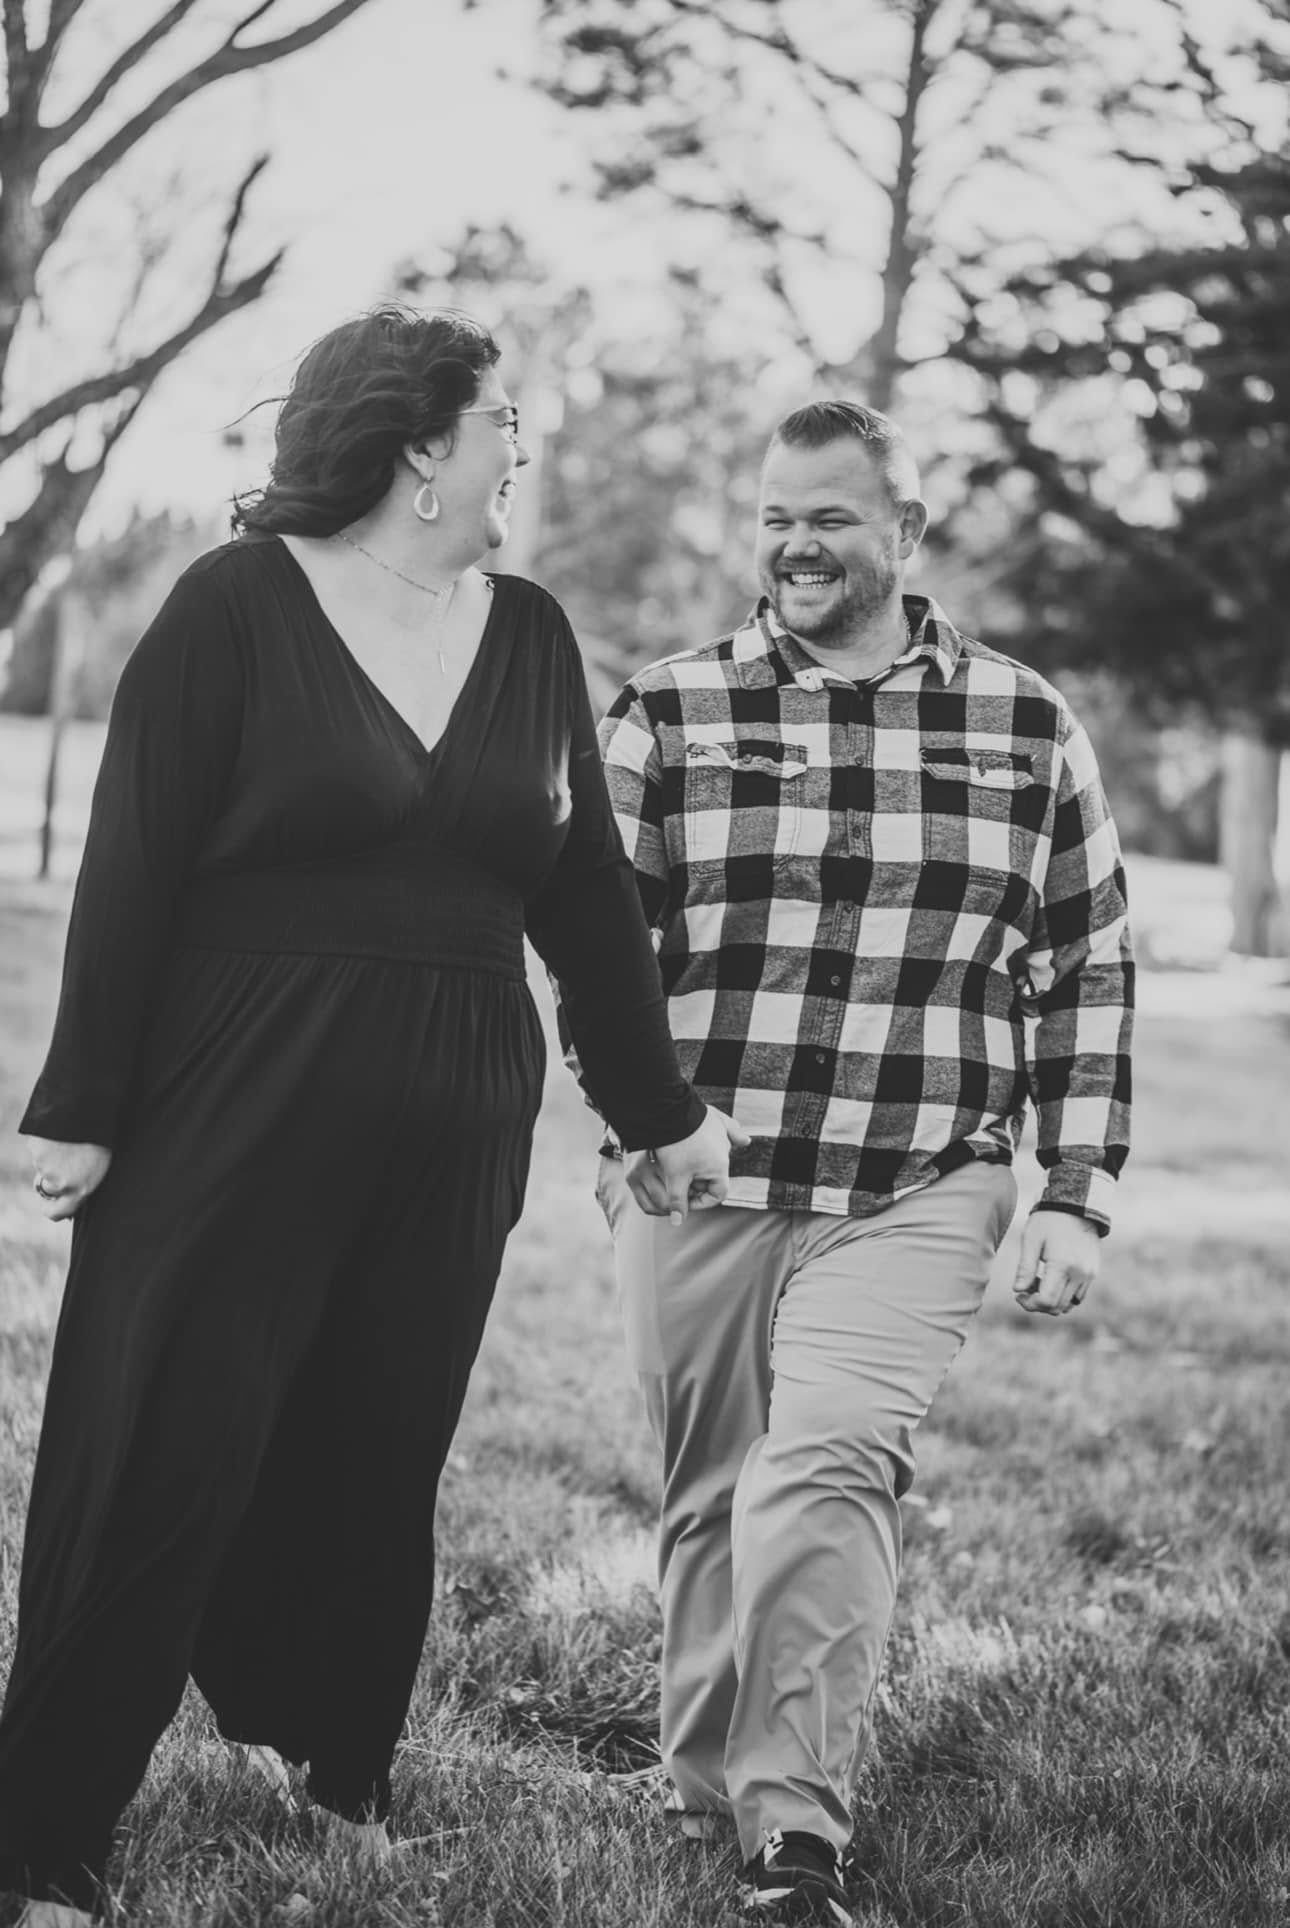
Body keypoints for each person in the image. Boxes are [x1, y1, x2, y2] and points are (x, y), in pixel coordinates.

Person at [2, 304, 742, 1927]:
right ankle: (47, 1837)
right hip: (235, 1093)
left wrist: (655, 1109)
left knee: (378, 1443)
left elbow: (584, 894)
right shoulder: (234, 605)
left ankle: (339, 1769)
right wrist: (84, 1101)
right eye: (502, 424)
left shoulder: (529, 631)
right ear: (422, 446)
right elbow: (132, 855)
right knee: (167, 1442)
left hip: (455, 1117)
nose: (521, 451)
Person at [580, 400, 1133, 1924]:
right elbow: (593, 953)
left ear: (904, 531)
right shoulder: (669, 710)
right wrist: (636, 1124)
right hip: (701, 1176)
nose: (794, 546)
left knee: (824, 1463)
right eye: (772, 518)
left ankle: (792, 1831)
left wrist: (1074, 1191)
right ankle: (708, 1776)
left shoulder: (1023, 725)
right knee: (710, 1496)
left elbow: (1085, 966)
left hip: (918, 1178)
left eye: (826, 517)